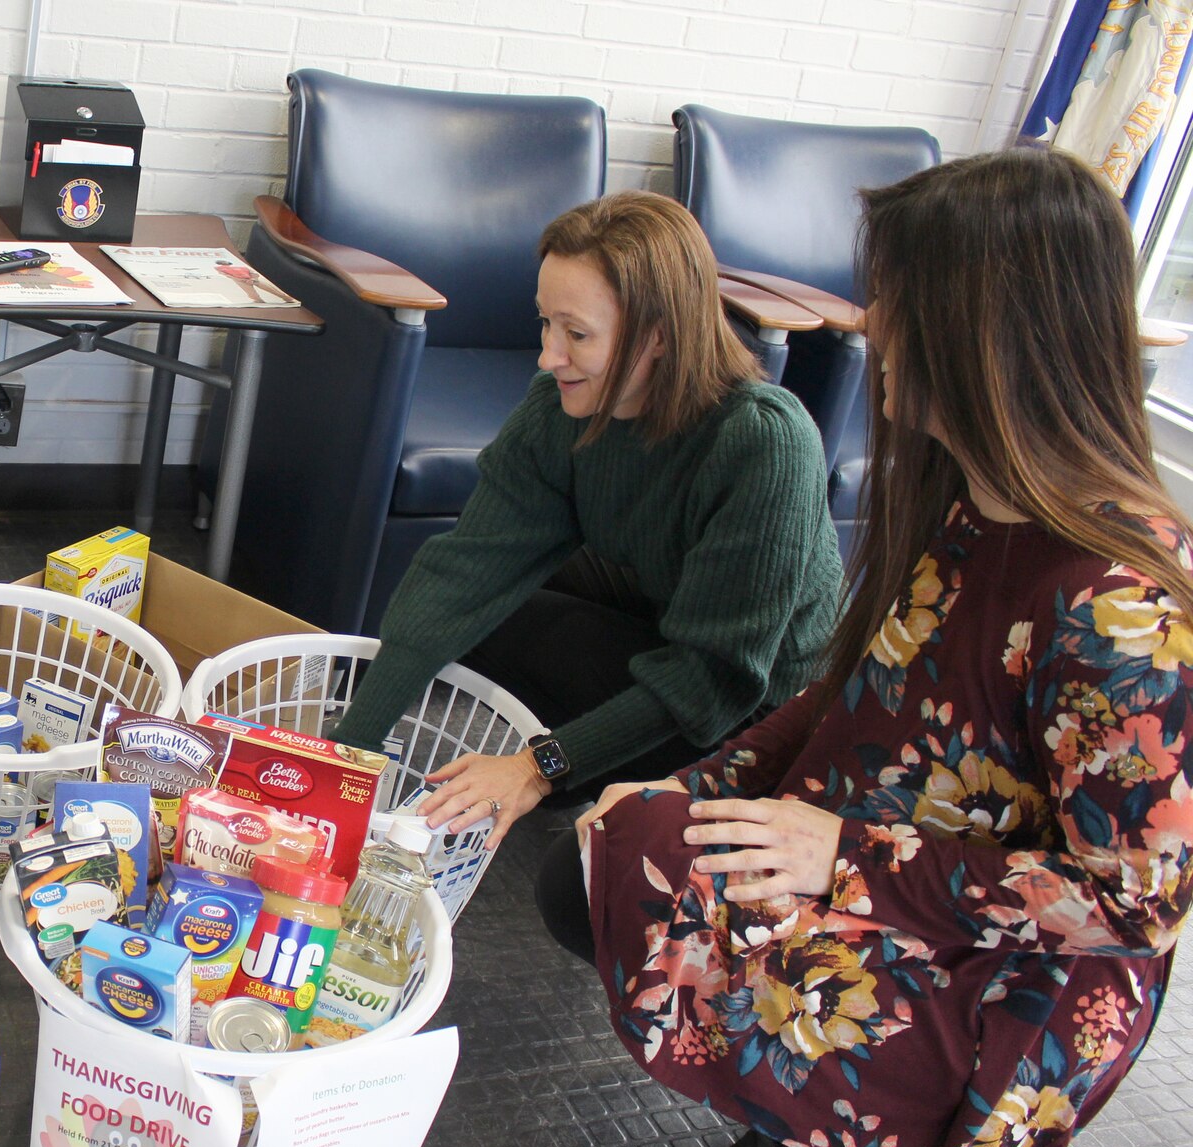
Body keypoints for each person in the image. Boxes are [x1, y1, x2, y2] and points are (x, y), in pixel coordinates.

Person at [544, 147, 1193, 1147]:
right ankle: (827, 1137)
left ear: (982, 329)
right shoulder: (966, 500)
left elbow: (1131, 905)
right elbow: (847, 697)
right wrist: (698, 786)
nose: (869, 324)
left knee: (638, 866)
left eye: (894, 299)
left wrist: (843, 860)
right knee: (605, 852)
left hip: (1003, 967)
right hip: (888, 858)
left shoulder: (1116, 611)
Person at [329, 192, 842, 849]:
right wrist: (350, 754)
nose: (548, 355)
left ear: (658, 335)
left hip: (759, 713)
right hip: (661, 608)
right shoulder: (560, 409)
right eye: (546, 324)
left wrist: (539, 766)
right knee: (469, 602)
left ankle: (579, 774)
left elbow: (713, 678)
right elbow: (462, 574)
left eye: (576, 334)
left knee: (548, 647)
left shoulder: (763, 443)